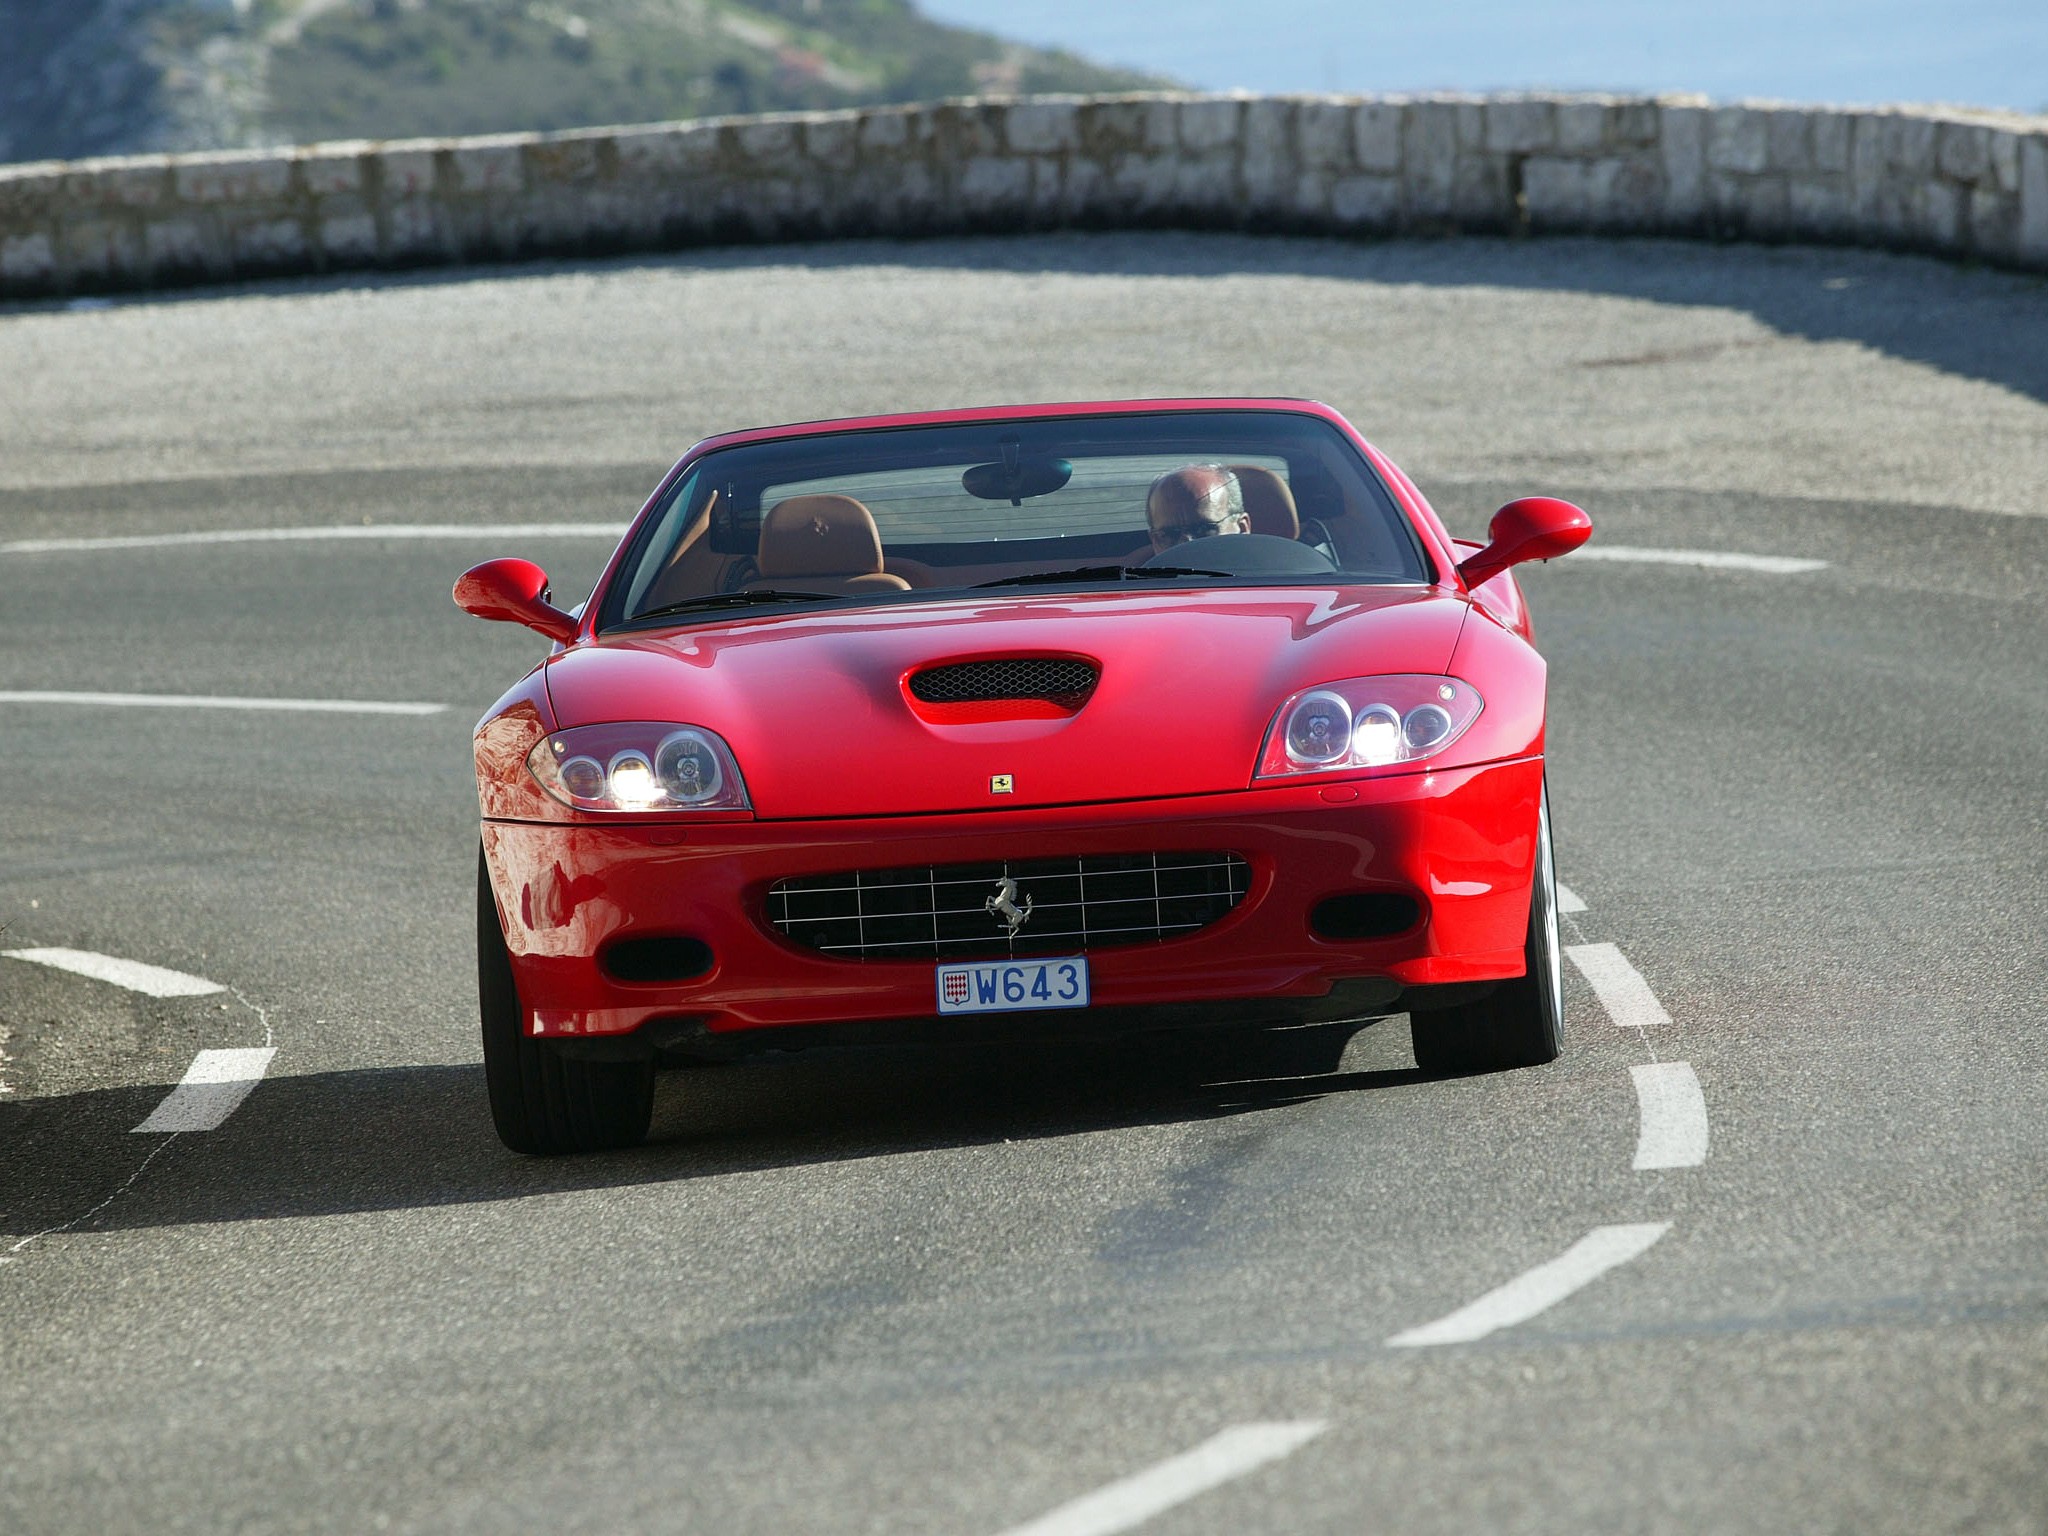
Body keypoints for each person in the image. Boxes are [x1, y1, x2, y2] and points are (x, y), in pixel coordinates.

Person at [1146, 464, 1249, 553]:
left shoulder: (1264, 573)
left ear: (1242, 528)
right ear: (1155, 542)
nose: (1185, 544)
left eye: (1203, 530)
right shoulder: (1136, 573)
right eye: (1170, 534)